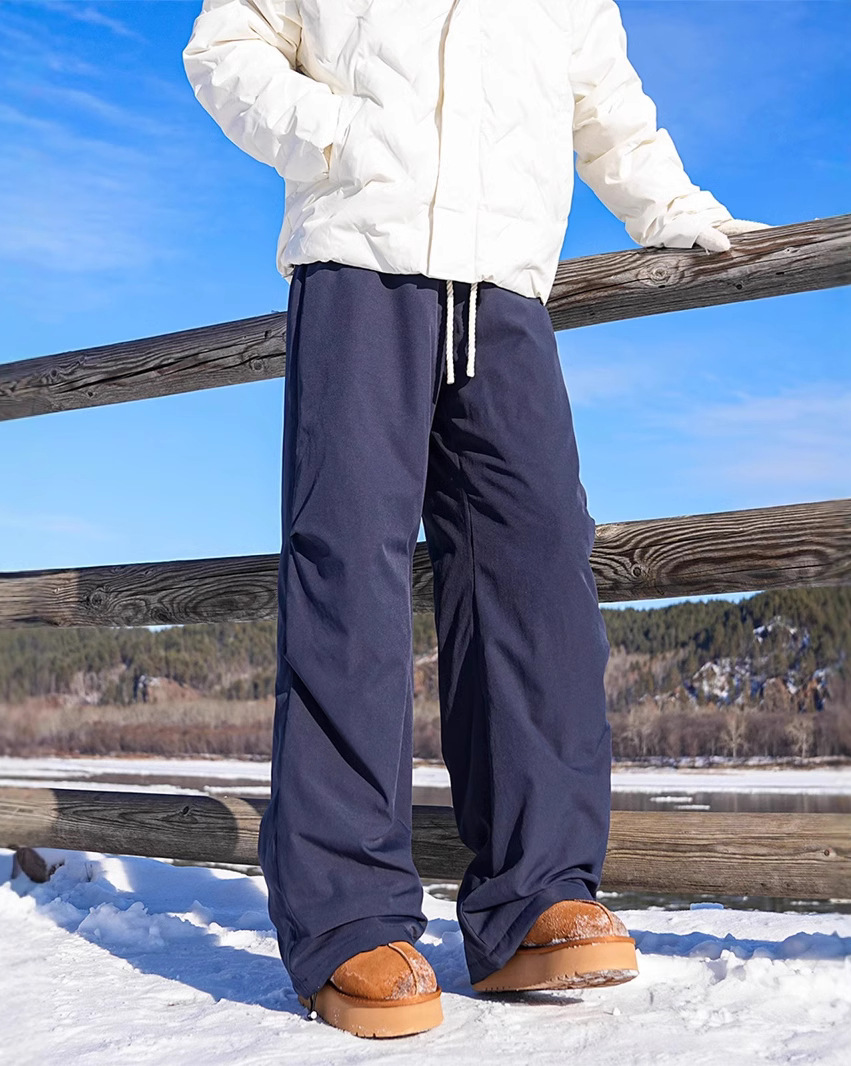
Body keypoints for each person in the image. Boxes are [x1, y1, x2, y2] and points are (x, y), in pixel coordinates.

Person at [183, 0, 767, 1039]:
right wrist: (336, 135)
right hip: (360, 268)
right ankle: (347, 918)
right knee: (347, 578)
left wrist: (669, 204)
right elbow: (225, 48)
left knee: (537, 575)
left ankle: (534, 895)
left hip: (507, 291)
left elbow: (607, 106)